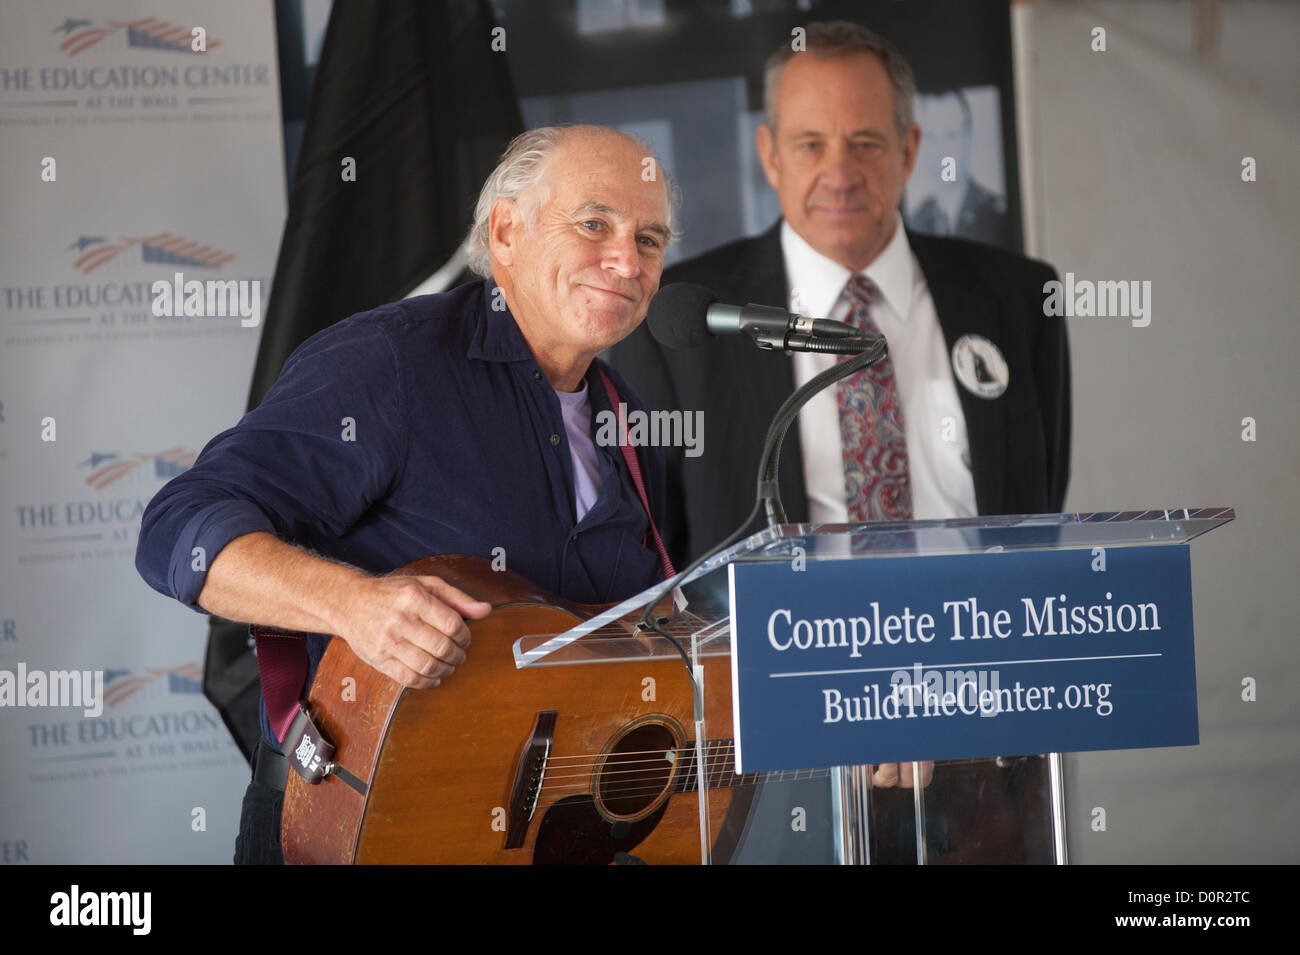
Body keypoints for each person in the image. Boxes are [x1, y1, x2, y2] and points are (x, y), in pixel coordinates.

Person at [136, 124, 678, 864]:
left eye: (650, 240)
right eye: (595, 224)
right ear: (507, 229)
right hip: (354, 829)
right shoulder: (390, 363)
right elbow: (177, 529)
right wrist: (351, 604)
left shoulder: (630, 417)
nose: (626, 260)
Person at [609, 21, 1070, 861]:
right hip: (776, 757)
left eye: (865, 140)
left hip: (989, 747)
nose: (839, 171)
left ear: (910, 145)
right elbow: (662, 561)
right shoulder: (682, 320)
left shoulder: (1017, 298)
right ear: (769, 153)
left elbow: (1036, 509)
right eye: (810, 142)